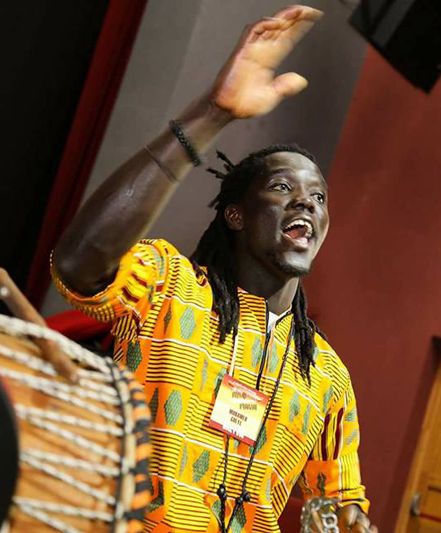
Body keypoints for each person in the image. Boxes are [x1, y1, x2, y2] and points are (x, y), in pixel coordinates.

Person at [52, 5, 376, 533]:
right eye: (282, 188)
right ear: (236, 215)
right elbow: (78, 263)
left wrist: (351, 522)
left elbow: (340, 501)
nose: (307, 203)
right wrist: (213, 112)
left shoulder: (327, 374)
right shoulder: (168, 286)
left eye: (318, 197)